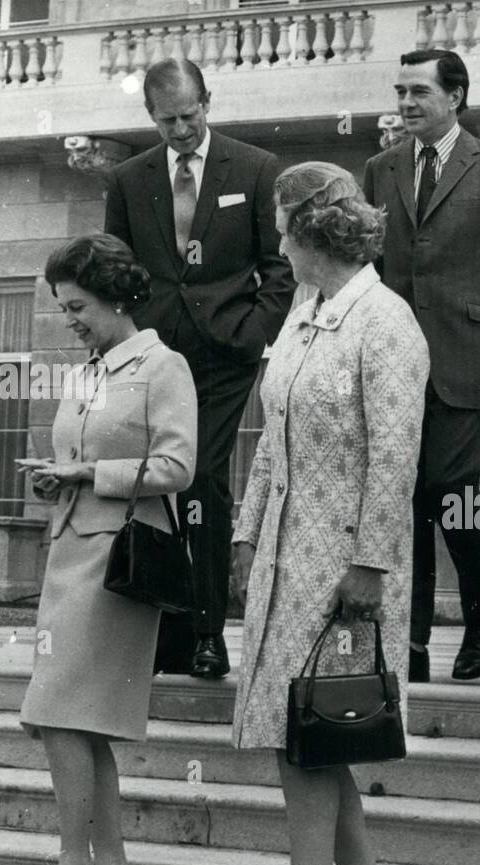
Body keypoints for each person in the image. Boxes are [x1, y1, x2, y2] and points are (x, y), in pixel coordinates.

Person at [229, 164, 429, 865]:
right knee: (306, 728)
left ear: (315, 233)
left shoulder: (384, 321)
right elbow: (271, 434)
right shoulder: (306, 312)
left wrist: (370, 566)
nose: (276, 246)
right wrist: (244, 533)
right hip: (284, 554)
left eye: (281, 231)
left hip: (346, 564)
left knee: (309, 735)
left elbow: (395, 456)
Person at [18, 233, 197, 865]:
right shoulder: (85, 372)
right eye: (64, 309)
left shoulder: (163, 366)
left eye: (79, 306)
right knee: (80, 728)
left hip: (120, 566)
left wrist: (92, 474)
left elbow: (178, 470)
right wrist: (54, 479)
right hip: (67, 559)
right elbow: (77, 459)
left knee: (59, 715)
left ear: (118, 297)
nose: (71, 321)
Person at [105, 57, 295, 679]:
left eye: (191, 115)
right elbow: (115, 272)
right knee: (158, 481)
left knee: (200, 477)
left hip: (223, 357)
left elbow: (280, 266)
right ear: (149, 116)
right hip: (155, 357)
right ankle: (168, 631)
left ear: (207, 102)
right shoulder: (129, 179)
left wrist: (252, 332)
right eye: (168, 120)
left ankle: (210, 633)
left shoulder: (256, 168)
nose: (182, 130)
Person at [363, 48, 480, 685]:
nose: (406, 103)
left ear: (456, 97)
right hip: (393, 361)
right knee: (412, 495)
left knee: (443, 486)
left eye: (419, 91)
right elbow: (370, 270)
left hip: (469, 359)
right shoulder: (380, 168)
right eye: (400, 91)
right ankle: (411, 641)